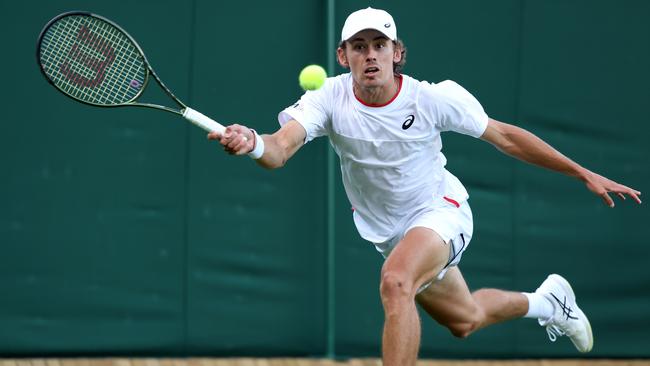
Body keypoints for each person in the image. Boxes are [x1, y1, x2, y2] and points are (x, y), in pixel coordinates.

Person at [208, 7, 642, 366]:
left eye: (380, 45)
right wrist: (251, 143)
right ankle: (549, 303)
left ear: (398, 53)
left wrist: (582, 171)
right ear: (343, 56)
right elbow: (279, 150)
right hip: (391, 233)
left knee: (396, 282)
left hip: (441, 212)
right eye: (359, 47)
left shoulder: (432, 98)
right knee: (465, 319)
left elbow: (505, 136)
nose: (371, 55)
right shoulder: (327, 98)